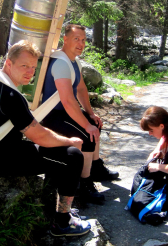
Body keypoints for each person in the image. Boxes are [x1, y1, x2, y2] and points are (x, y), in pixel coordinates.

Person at [0, 40, 91, 237]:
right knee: (72, 156)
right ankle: (62, 223)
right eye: (24, 66)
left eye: (33, 68)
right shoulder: (10, 94)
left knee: (57, 152)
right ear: (9, 63)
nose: (30, 72)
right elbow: (39, 136)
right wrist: (70, 141)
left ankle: (56, 207)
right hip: (2, 160)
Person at [42, 24, 119, 204]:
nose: (81, 43)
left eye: (83, 40)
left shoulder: (74, 61)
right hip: (52, 115)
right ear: (65, 39)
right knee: (88, 134)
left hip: (64, 111)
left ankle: (96, 167)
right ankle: (84, 185)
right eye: (76, 39)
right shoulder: (61, 63)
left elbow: (81, 88)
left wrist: (91, 115)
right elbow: (68, 101)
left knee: (96, 125)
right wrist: (86, 125)